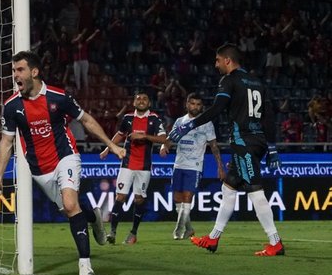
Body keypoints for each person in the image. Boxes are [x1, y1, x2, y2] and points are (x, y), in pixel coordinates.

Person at [0, 51, 125, 275]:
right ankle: (93, 216)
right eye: (13, 71)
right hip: (40, 170)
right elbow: (6, 141)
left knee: (71, 204)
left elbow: (86, 120)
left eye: (20, 70)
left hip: (66, 157)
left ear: (34, 72)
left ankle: (85, 267)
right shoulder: (12, 106)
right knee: (71, 210)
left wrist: (112, 145)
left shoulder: (58, 97)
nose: (15, 75)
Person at [168, 43, 284, 256]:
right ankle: (213, 238)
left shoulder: (229, 80)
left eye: (218, 60)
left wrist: (189, 125)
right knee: (229, 187)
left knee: (255, 192)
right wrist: (273, 147)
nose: (216, 64)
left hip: (244, 142)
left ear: (228, 60)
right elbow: (269, 116)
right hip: (257, 141)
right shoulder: (257, 82)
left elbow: (217, 108)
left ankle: (275, 242)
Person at [99, 90, 167, 245]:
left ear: (149, 103)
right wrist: (107, 148)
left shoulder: (154, 119)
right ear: (134, 103)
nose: (141, 101)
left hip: (144, 167)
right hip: (127, 164)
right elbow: (120, 134)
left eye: (144, 98)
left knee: (139, 199)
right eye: (138, 99)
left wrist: (144, 136)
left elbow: (164, 138)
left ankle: (133, 233)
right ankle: (112, 232)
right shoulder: (128, 118)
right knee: (120, 197)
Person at [159, 93, 226, 240]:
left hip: (195, 165)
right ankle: (189, 229)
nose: (195, 107)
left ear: (202, 107)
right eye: (192, 103)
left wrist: (220, 166)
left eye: (198, 104)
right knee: (177, 198)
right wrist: (164, 146)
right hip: (179, 164)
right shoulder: (179, 121)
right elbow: (171, 138)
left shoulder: (206, 123)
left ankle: (179, 229)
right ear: (187, 104)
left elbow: (213, 146)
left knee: (187, 197)